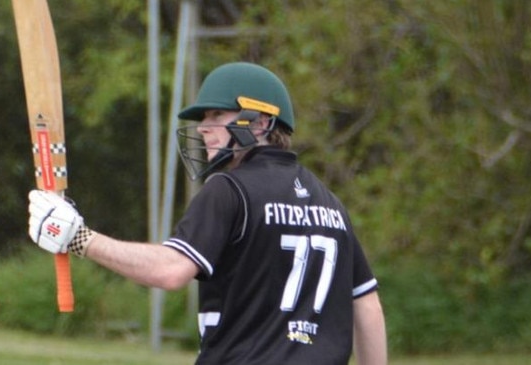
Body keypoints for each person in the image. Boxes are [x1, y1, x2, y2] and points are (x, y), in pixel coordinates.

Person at [27, 62, 387, 365]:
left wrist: (80, 238)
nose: (202, 128)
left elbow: (170, 270)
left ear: (260, 123)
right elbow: (367, 305)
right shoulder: (331, 205)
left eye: (217, 114)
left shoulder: (230, 190)